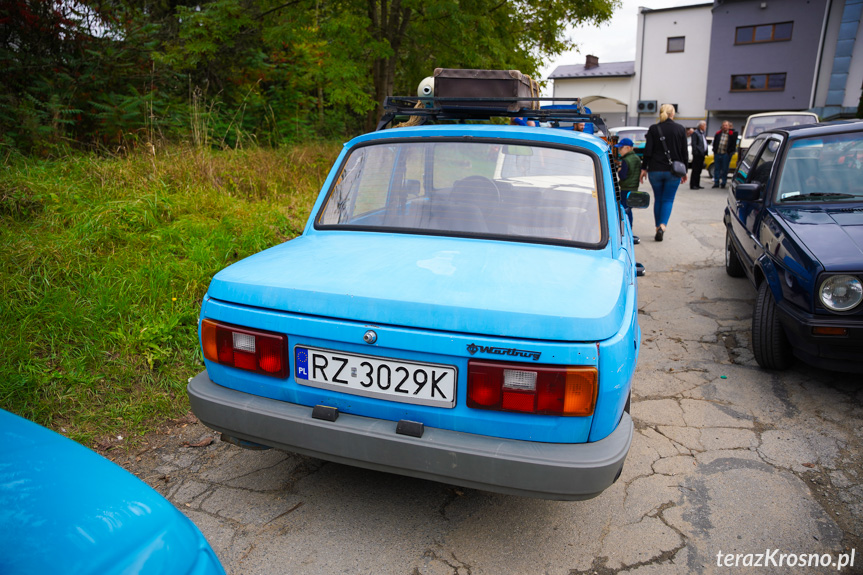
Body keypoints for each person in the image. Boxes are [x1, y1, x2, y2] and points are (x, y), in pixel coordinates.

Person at [640, 103, 688, 242]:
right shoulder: (680, 129)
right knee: (668, 199)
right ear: (672, 114)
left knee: (658, 199)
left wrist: (644, 168)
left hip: (655, 170)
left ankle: (656, 227)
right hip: (674, 171)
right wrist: (685, 171)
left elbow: (647, 151)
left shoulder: (654, 129)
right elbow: (684, 152)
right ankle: (662, 226)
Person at [615, 137, 641, 244]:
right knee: (629, 209)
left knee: (624, 210)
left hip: (625, 188)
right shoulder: (637, 159)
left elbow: (623, 176)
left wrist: (619, 170)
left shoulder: (626, 160)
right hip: (634, 187)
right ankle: (629, 230)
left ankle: (626, 231)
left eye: (621, 148)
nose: (619, 151)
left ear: (628, 148)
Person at [712, 121, 738, 188]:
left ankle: (723, 183)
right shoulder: (718, 133)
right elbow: (714, 143)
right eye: (723, 125)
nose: (725, 126)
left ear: (729, 126)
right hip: (718, 153)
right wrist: (714, 151)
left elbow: (733, 144)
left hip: (726, 154)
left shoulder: (731, 134)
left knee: (725, 169)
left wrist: (730, 153)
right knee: (717, 169)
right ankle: (716, 182)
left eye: (726, 125)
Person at [690, 120, 708, 189]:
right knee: (695, 170)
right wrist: (696, 152)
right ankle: (693, 184)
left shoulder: (702, 133)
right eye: (704, 125)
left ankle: (697, 184)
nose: (705, 127)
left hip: (702, 154)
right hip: (697, 155)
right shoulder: (696, 133)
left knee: (699, 170)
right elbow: (694, 144)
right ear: (701, 126)